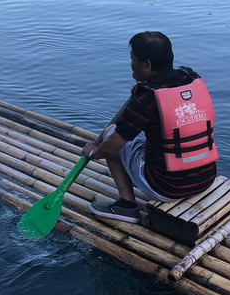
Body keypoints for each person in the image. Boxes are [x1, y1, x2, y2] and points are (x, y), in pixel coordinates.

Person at [81, 32, 218, 224]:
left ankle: (126, 206)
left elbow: (111, 147)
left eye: (133, 60)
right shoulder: (191, 78)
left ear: (147, 65)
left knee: (110, 133)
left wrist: (93, 152)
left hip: (167, 188)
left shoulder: (146, 98)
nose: (131, 65)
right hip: (206, 179)